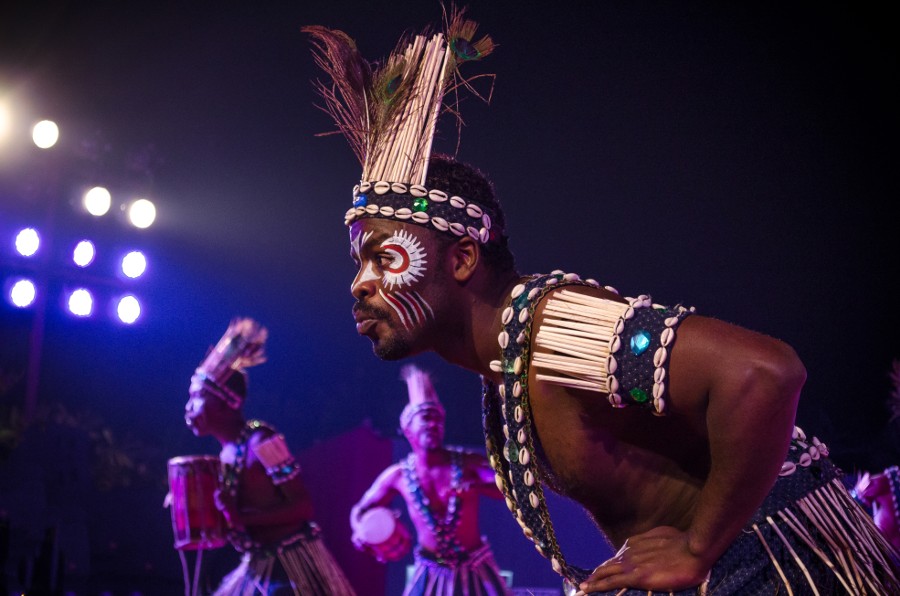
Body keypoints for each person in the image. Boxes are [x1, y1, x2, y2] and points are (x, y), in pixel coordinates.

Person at [303, 9, 900, 595]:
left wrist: (697, 549)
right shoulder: (511, 360)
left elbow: (764, 374)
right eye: (359, 261)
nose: (360, 282)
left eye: (386, 257)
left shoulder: (558, 333)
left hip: (776, 560)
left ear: (462, 258)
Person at [184, 318, 356, 596]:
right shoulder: (227, 453)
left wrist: (240, 517)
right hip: (257, 566)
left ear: (226, 403)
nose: (188, 408)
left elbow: (303, 508)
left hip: (291, 570)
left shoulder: (263, 442)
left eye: (196, 398)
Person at [349, 364, 511, 596]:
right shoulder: (398, 475)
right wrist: (360, 531)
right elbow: (361, 508)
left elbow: (504, 485)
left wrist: (475, 486)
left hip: (475, 568)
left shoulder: (467, 463)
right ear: (408, 428)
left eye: (438, 419)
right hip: (430, 570)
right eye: (426, 418)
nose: (433, 424)